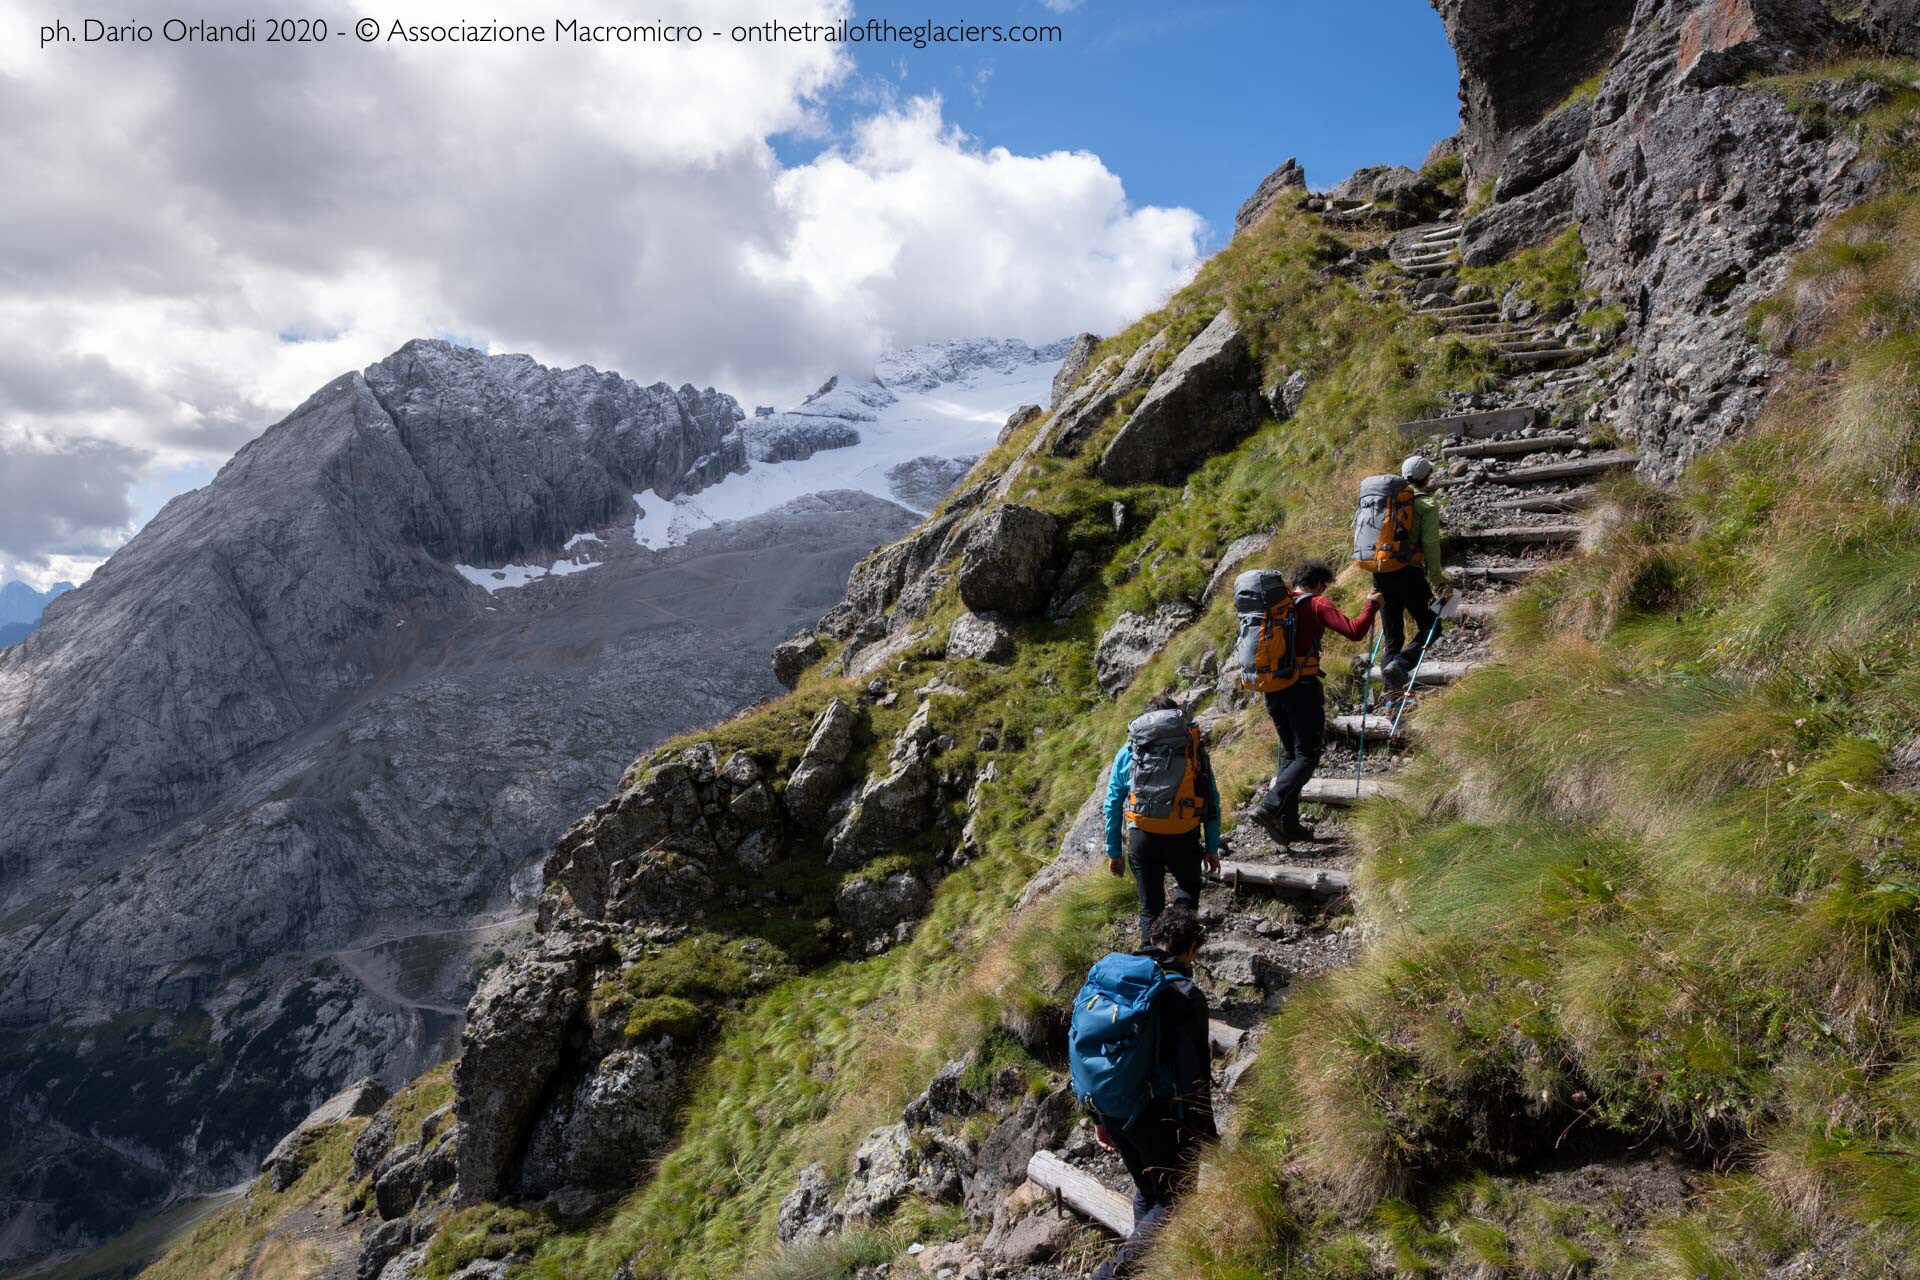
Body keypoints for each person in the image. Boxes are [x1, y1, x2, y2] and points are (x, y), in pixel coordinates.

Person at [1087, 903, 1216, 1280]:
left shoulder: (1115, 977)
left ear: (1153, 938)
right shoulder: (1184, 993)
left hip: (1111, 1103)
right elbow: (1196, 1075)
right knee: (1174, 1199)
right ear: (1191, 948)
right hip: (1153, 1113)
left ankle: (1147, 1268)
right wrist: (1205, 1134)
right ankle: (1112, 1275)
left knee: (1147, 1189)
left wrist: (1098, 1117)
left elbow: (1092, 1044)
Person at [1253, 561, 1380, 841]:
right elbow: (1355, 631)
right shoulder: (1316, 604)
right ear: (1319, 583)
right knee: (1307, 756)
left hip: (1272, 688)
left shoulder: (1275, 605)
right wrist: (1371, 605)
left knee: (1291, 754)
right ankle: (1270, 805)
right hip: (1302, 687)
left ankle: (1289, 823)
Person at [1104, 694, 1222, 946]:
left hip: (1143, 836)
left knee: (1150, 909)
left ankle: (1151, 962)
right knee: (1188, 889)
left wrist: (1114, 852)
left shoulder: (1129, 751)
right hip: (1184, 834)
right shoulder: (1192, 749)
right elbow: (1211, 799)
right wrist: (1212, 847)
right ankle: (1179, 955)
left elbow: (1112, 803)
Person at [1374, 454, 1450, 694]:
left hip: (1380, 572)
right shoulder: (1425, 504)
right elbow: (1430, 544)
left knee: (1392, 639)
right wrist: (1437, 580)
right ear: (1426, 478)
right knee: (1432, 626)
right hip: (1408, 573)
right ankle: (1402, 664)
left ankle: (1391, 695)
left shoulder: (1386, 500)